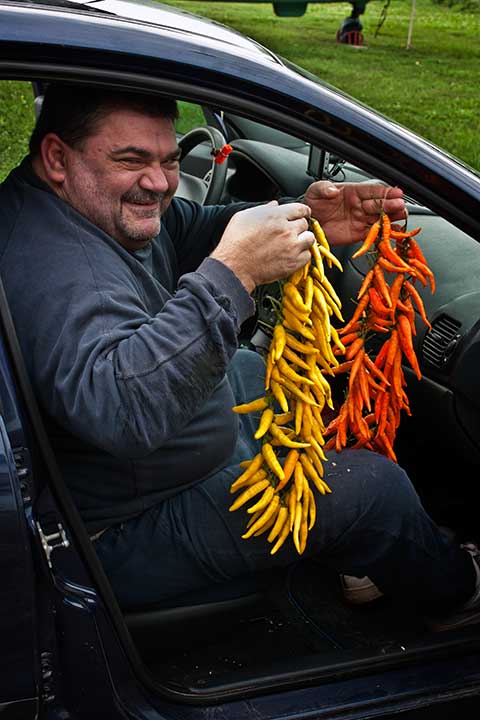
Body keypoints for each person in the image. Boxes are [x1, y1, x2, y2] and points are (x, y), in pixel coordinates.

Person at [0, 84, 478, 631]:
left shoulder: (80, 206)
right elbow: (125, 413)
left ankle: (361, 547)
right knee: (375, 489)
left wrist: (305, 217)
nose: (158, 182)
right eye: (131, 161)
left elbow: (182, 228)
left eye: (169, 160)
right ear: (57, 157)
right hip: (112, 535)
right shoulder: (60, 272)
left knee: (262, 374)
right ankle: (457, 593)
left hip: (141, 471)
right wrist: (235, 272)